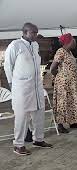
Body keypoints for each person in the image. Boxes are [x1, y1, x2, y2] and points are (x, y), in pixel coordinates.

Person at [4, 23, 53, 155]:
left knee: (39, 114)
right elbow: (8, 66)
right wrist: (12, 85)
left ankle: (38, 139)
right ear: (25, 32)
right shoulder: (15, 45)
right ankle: (18, 145)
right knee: (22, 117)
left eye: (36, 32)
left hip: (36, 86)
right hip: (21, 88)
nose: (35, 35)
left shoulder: (35, 45)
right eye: (33, 33)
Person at [50, 33, 77, 133]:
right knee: (62, 102)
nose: (75, 41)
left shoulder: (69, 52)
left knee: (71, 101)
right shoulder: (61, 51)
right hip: (63, 84)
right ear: (68, 41)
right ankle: (60, 125)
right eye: (73, 39)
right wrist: (61, 76)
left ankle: (72, 121)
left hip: (72, 83)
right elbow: (52, 68)